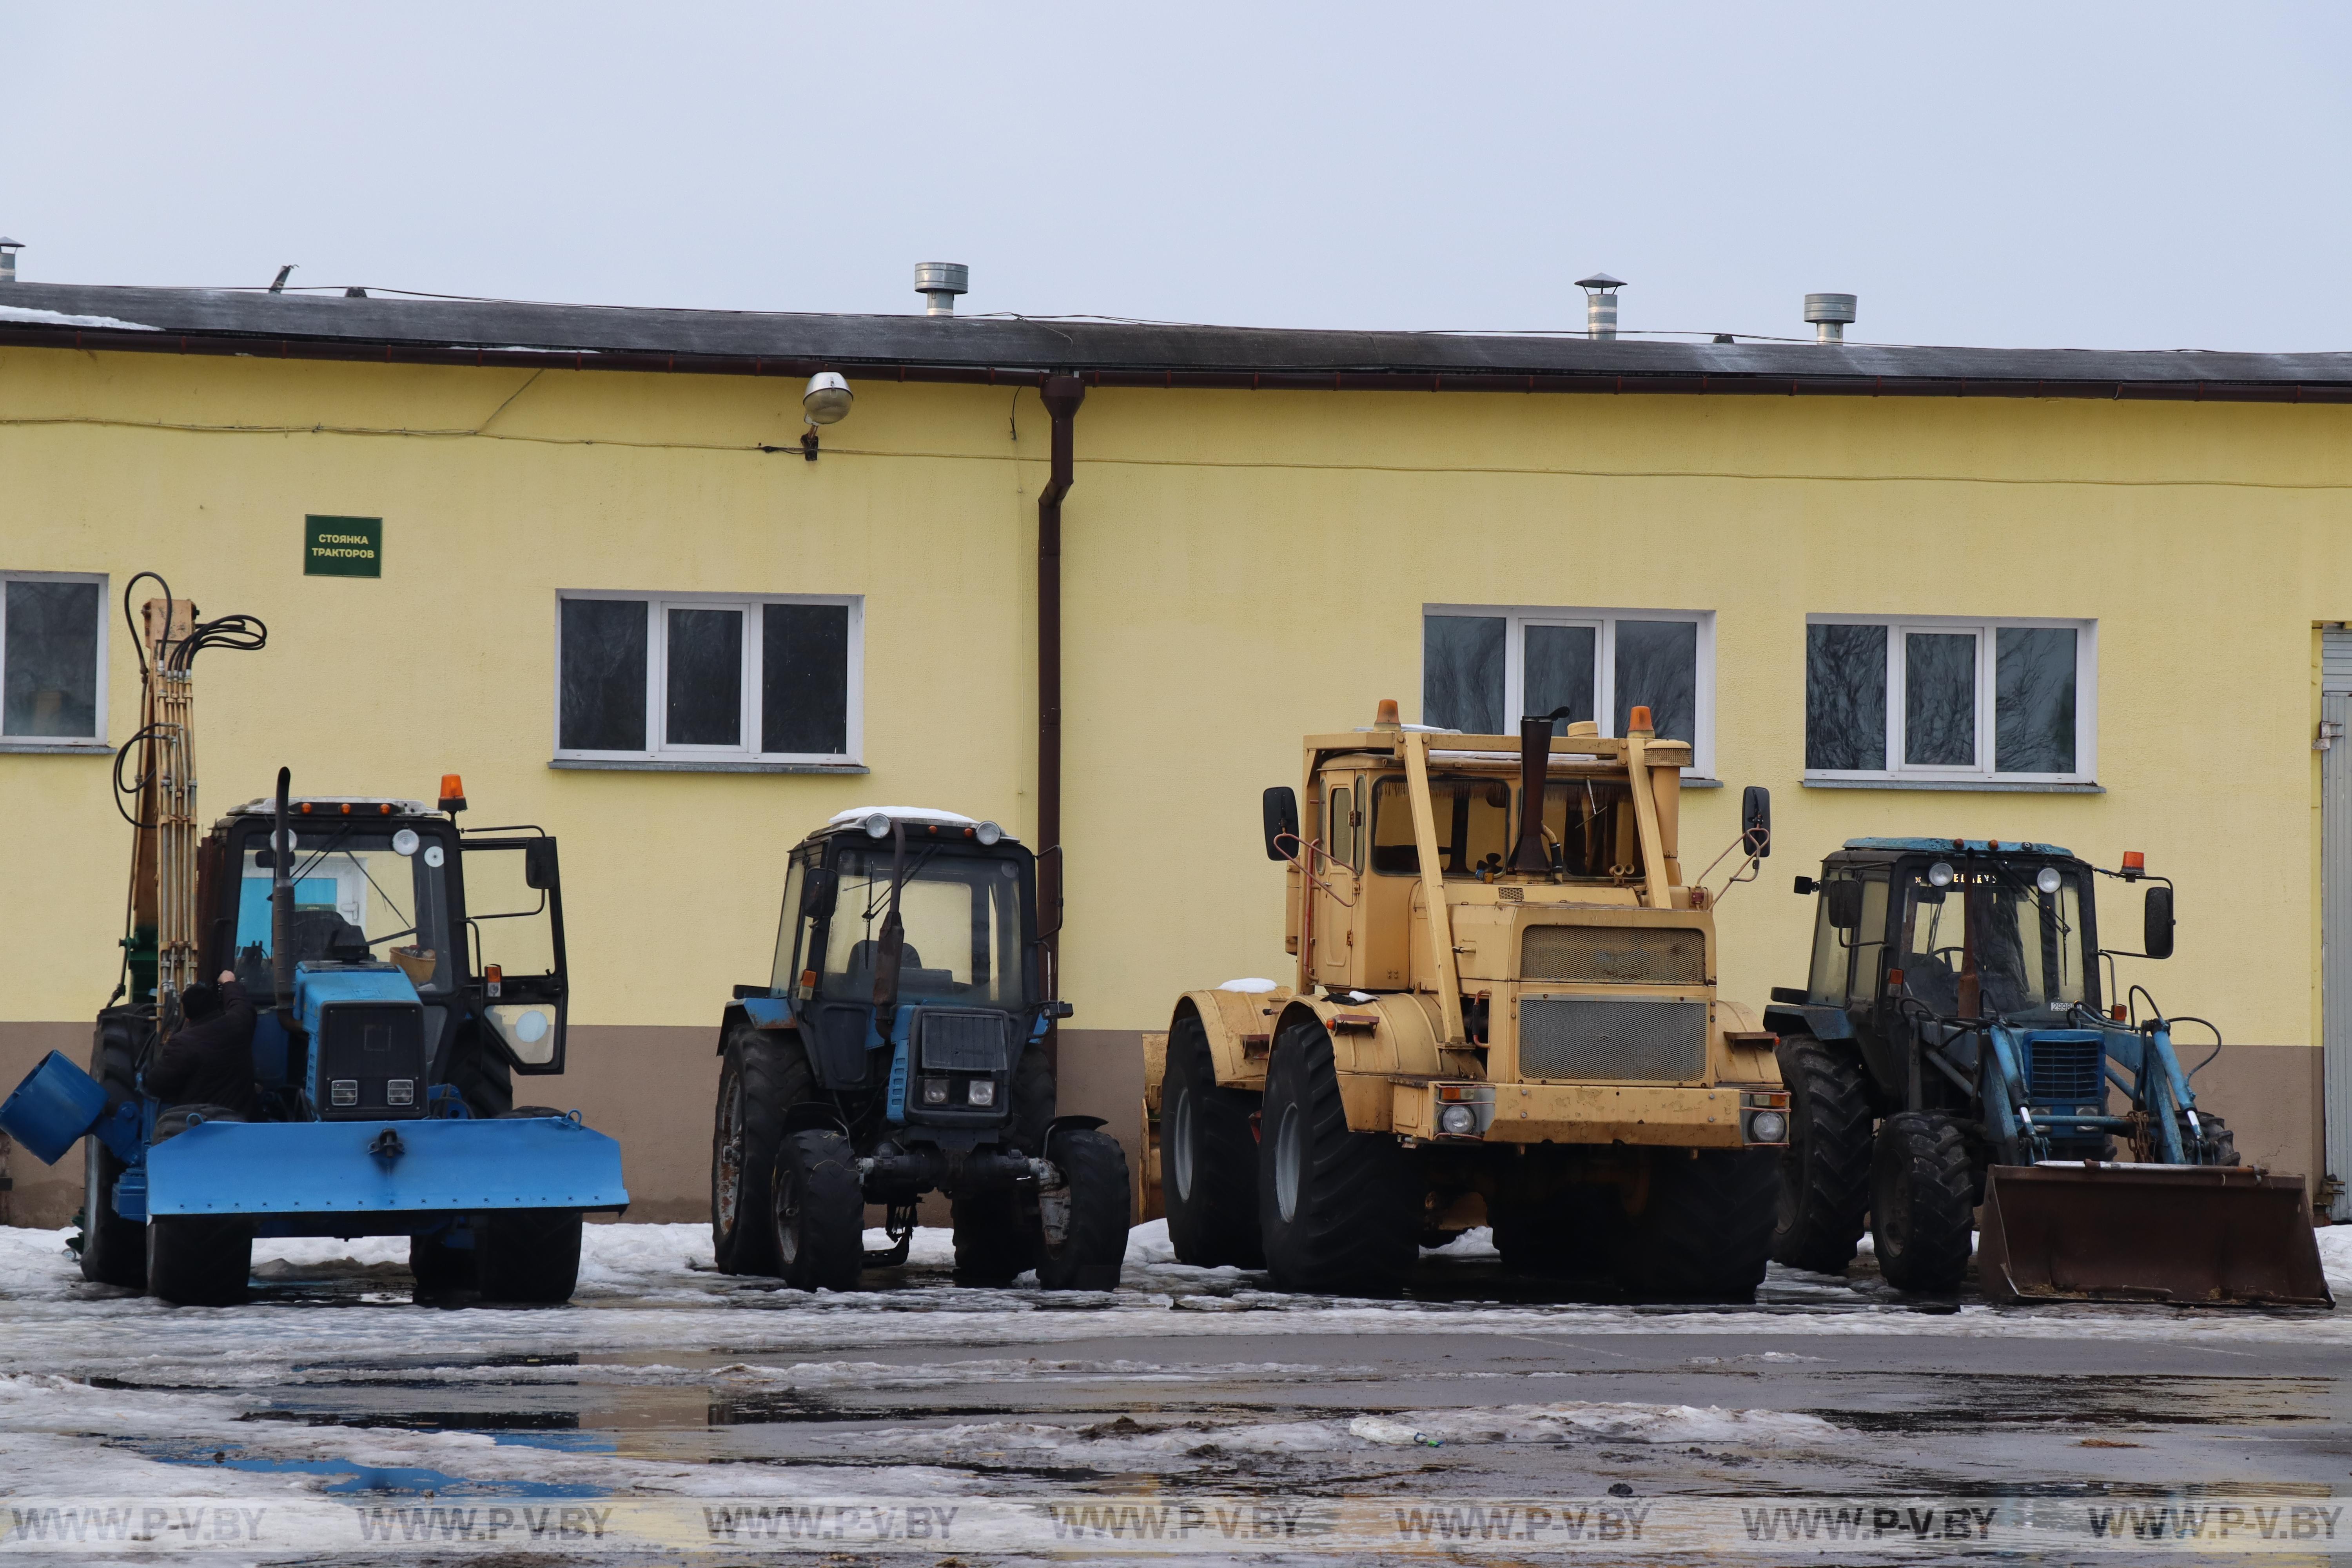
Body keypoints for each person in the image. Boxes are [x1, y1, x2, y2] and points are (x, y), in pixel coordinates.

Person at [145, 969, 259, 1118]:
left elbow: (155, 1087)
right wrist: (229, 982)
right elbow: (240, 1003)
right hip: (242, 1121)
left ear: (188, 1018)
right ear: (216, 1005)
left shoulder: (181, 1044)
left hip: (201, 1127)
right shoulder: (239, 1023)